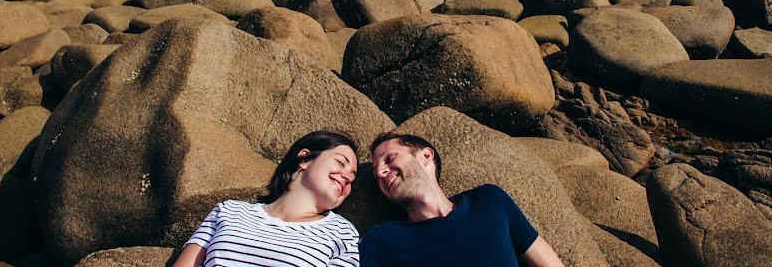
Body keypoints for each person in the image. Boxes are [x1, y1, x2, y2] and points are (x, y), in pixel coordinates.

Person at [360, 133, 565, 267]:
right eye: (376, 171)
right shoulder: (382, 239)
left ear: (425, 156)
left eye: (389, 158)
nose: (380, 171)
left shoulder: (489, 201)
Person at [173, 131, 360, 267]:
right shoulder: (229, 211)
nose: (348, 177)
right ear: (304, 158)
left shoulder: (342, 233)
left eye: (353, 177)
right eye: (341, 162)